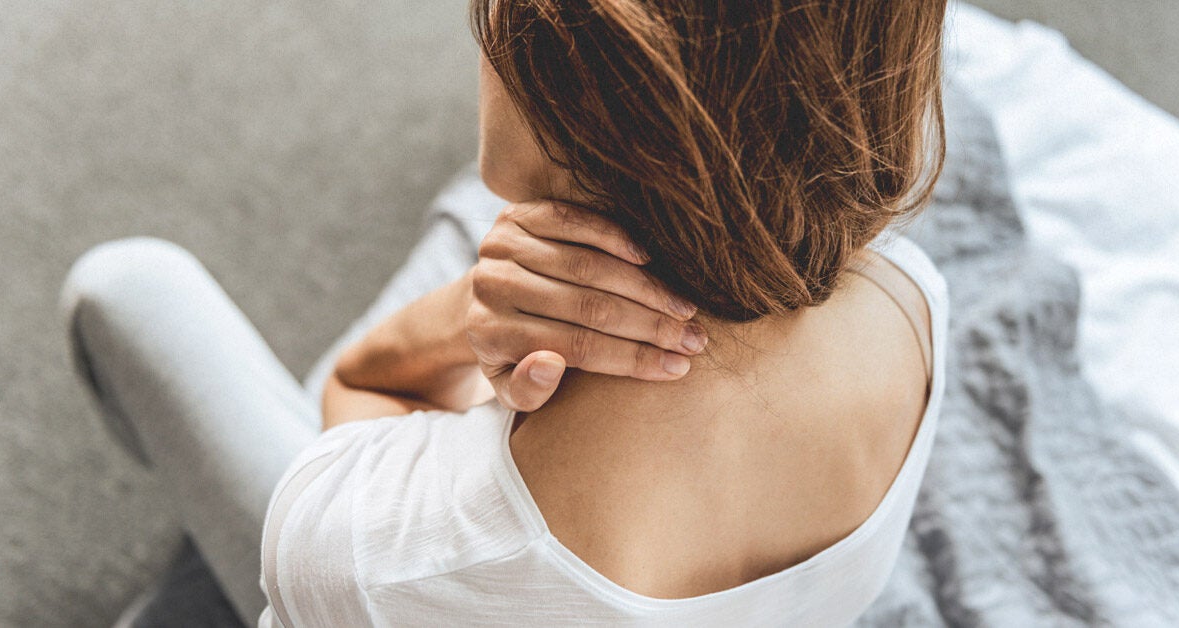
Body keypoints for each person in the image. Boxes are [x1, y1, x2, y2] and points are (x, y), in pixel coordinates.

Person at [63, 0, 949, 625]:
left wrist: (460, 317)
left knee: (125, 288)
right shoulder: (911, 302)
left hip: (370, 594)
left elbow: (358, 384)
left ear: (569, 72)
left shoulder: (385, 556)